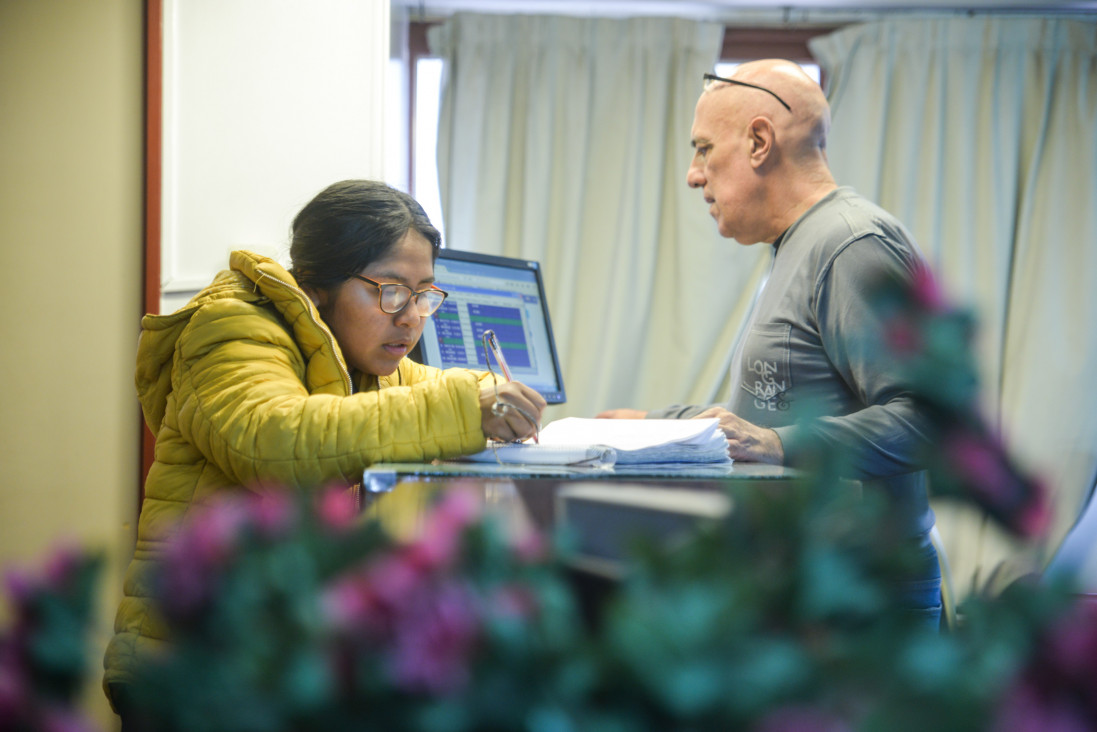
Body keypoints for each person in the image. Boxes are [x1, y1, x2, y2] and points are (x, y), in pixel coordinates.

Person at [103, 180, 546, 713]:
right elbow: (276, 439)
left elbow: (434, 386)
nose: (409, 317)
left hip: (282, 662)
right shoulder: (231, 327)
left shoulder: (363, 358)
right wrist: (466, 409)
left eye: (424, 294)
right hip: (193, 667)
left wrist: (488, 392)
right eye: (390, 290)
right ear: (316, 287)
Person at [600, 59, 940, 624]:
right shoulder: (796, 245)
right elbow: (765, 414)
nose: (693, 174)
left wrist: (778, 444)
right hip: (809, 592)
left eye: (704, 148)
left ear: (760, 141)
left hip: (863, 610)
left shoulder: (850, 243)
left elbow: (931, 419)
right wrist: (653, 421)